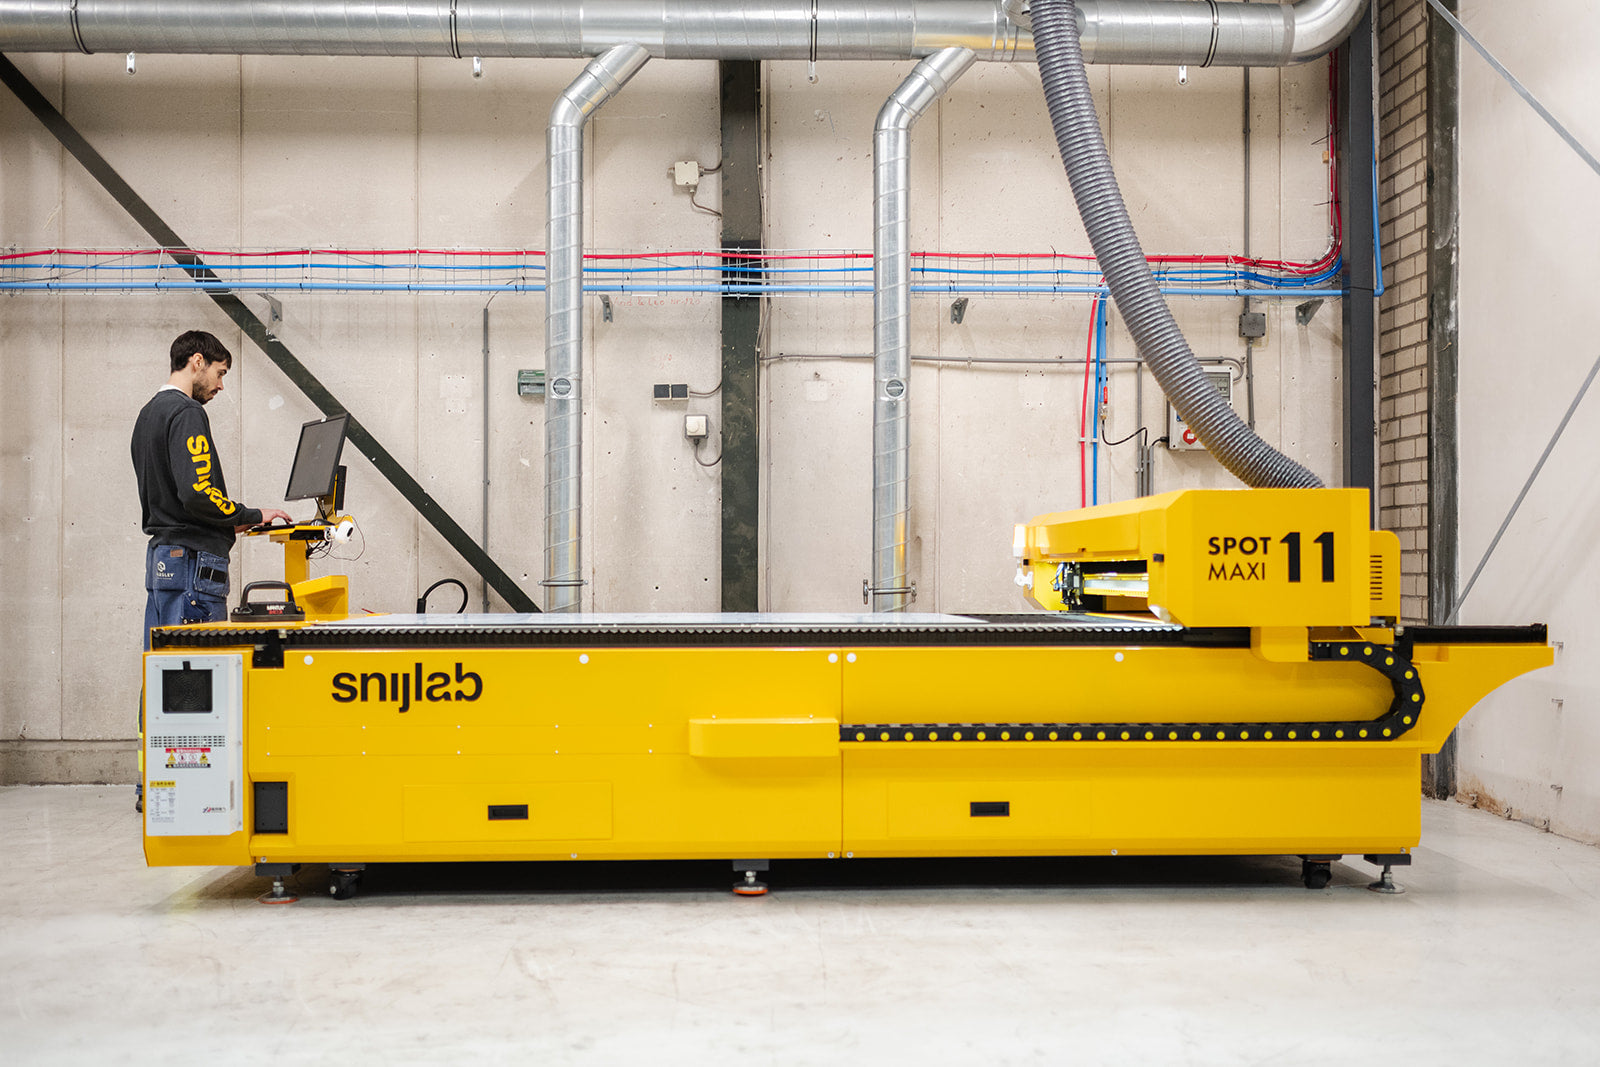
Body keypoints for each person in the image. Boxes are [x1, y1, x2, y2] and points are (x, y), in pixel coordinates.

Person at [132, 330, 292, 644]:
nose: (221, 385)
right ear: (197, 361)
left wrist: (227, 524)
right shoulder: (188, 412)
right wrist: (251, 514)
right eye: (220, 373)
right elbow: (197, 493)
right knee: (200, 667)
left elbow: (171, 501)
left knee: (166, 665)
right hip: (193, 567)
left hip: (163, 561)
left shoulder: (148, 414)